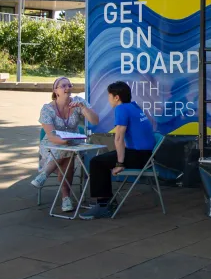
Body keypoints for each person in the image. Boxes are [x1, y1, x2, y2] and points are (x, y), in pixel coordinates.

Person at [80, 81, 157, 220]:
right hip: (147, 157)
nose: (108, 99)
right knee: (102, 160)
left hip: (138, 157)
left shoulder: (121, 109)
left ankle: (103, 205)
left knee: (96, 162)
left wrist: (120, 163)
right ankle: (107, 201)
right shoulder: (134, 106)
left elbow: (119, 138)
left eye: (109, 96)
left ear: (116, 97)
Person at [33, 77, 99, 213]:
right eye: (63, 86)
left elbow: (95, 120)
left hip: (73, 143)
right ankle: (65, 198)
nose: (67, 88)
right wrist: (65, 142)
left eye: (69, 85)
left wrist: (82, 107)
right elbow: (51, 135)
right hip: (52, 145)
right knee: (68, 154)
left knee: (69, 153)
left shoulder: (78, 101)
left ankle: (45, 175)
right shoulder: (47, 109)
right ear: (55, 90)